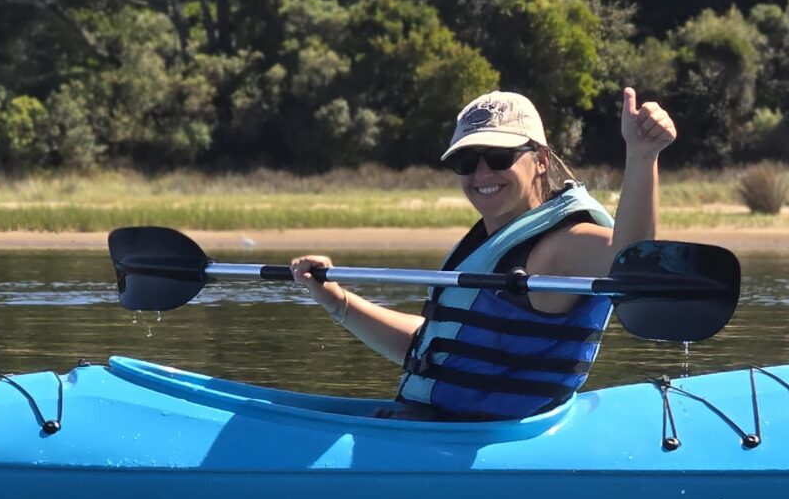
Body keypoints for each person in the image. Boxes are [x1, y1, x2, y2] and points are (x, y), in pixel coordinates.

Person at [290, 87, 678, 420]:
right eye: (466, 162)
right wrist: (337, 301)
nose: (482, 174)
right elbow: (431, 349)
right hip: (431, 429)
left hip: (480, 441)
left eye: (499, 157)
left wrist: (643, 156)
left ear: (541, 160)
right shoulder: (491, 243)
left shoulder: (561, 246)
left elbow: (632, 261)